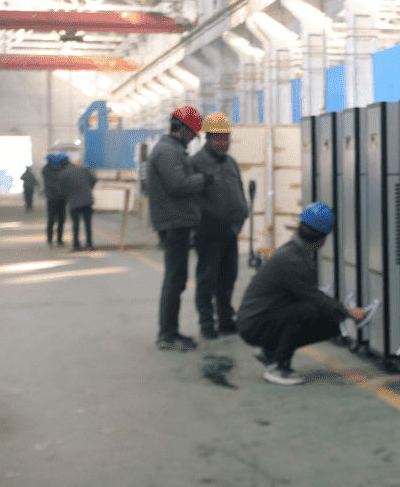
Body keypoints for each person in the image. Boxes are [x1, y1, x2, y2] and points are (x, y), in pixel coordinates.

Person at [237, 203, 365, 385]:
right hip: (254, 325)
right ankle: (279, 367)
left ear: (298, 227)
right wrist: (348, 311)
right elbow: (314, 297)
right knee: (307, 311)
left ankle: (270, 352)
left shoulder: (292, 251)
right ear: (322, 240)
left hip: (256, 319)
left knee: (329, 322)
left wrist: (341, 312)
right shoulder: (293, 259)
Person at [147, 106, 211, 352]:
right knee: (175, 280)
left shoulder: (171, 150)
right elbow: (179, 186)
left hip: (177, 222)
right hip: (174, 223)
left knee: (177, 279)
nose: (193, 138)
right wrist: (203, 179)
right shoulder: (167, 152)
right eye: (193, 133)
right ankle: (167, 334)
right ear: (183, 130)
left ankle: (171, 331)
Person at [188, 112, 248, 339]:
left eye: (226, 138)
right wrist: (209, 219)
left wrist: (242, 213)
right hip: (208, 232)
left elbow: (239, 190)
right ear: (208, 138)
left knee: (228, 277)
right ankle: (206, 322)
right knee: (207, 278)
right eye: (219, 138)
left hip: (230, 230)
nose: (224, 143)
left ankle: (225, 319)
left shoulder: (231, 162)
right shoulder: (196, 164)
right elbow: (193, 199)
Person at [61, 159, 98, 251]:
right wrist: (87, 189)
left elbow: (62, 190)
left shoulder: (63, 174)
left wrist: (69, 195)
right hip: (87, 200)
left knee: (75, 224)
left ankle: (76, 245)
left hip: (74, 202)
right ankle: (89, 244)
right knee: (88, 224)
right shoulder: (83, 169)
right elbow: (94, 180)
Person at [42, 153, 69, 246]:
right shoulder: (62, 169)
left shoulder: (45, 170)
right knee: (61, 219)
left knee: (51, 219)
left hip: (51, 198)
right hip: (62, 198)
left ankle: (50, 240)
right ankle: (59, 240)